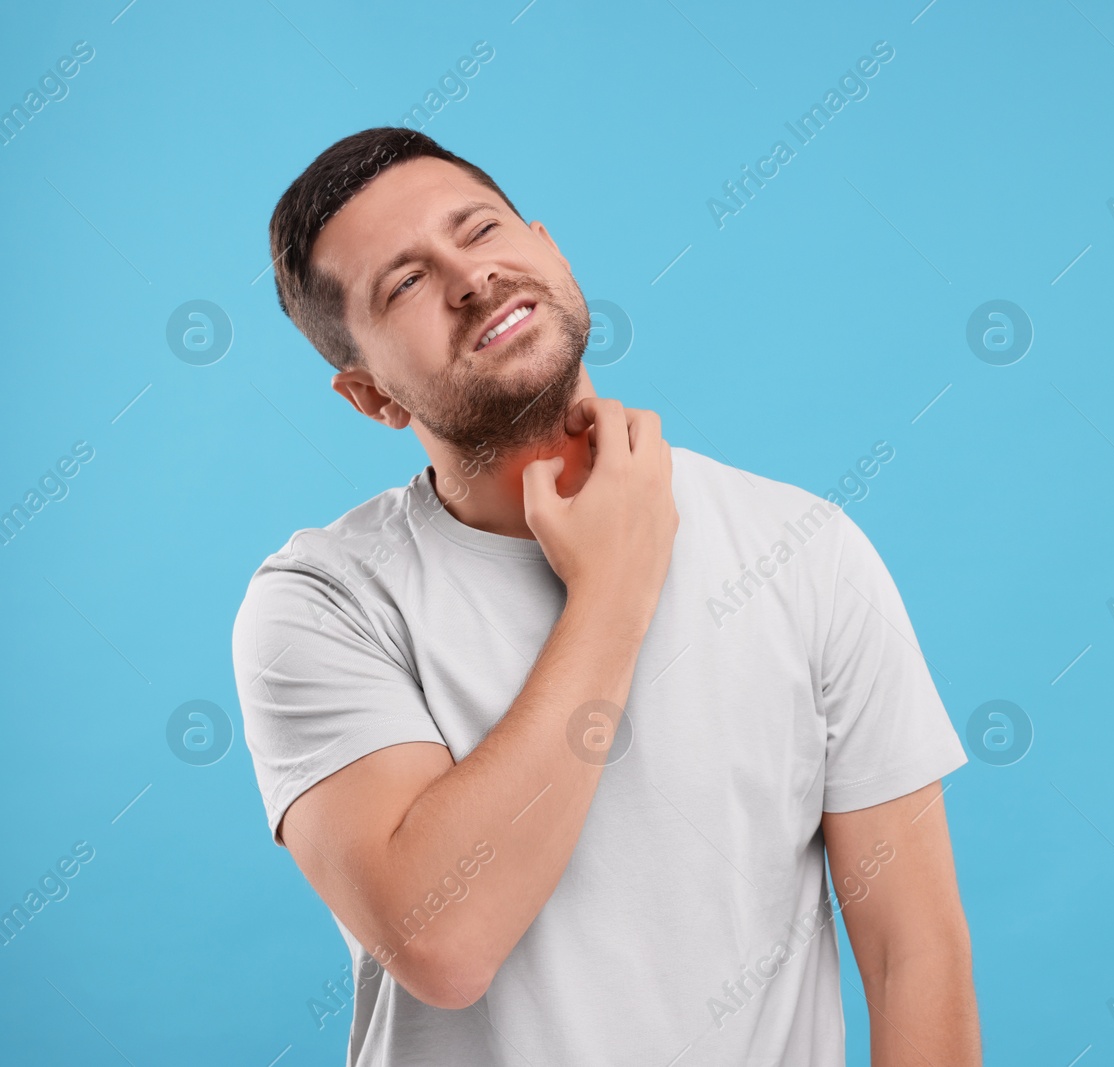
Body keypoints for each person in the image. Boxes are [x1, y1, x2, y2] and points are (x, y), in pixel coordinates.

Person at [232, 126, 981, 1066]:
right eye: (407, 282)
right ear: (371, 396)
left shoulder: (804, 551)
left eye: (481, 230)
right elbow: (442, 942)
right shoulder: (321, 602)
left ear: (549, 248)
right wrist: (613, 585)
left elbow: (913, 950)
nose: (471, 277)